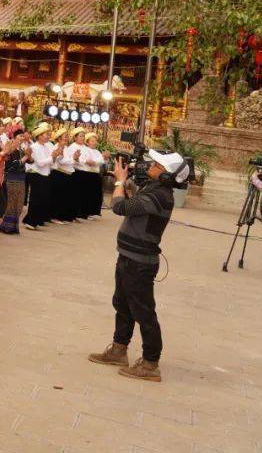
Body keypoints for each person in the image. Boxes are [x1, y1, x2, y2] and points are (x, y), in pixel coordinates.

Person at [88, 151, 186, 383]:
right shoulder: (154, 189)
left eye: (157, 164)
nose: (151, 165)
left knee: (143, 311)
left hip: (140, 262)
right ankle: (119, 350)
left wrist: (120, 180)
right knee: (122, 303)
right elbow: (133, 205)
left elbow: (120, 207)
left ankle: (151, 363)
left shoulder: (161, 195)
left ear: (166, 174)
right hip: (128, 256)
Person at [22, 123, 55, 230]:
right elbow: (40, 163)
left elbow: (50, 162)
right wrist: (53, 157)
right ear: (39, 136)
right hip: (37, 175)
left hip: (45, 174)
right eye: (45, 134)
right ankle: (31, 221)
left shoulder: (46, 146)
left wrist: (55, 157)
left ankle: (37, 220)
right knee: (36, 199)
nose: (48, 136)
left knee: (43, 199)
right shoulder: (34, 147)